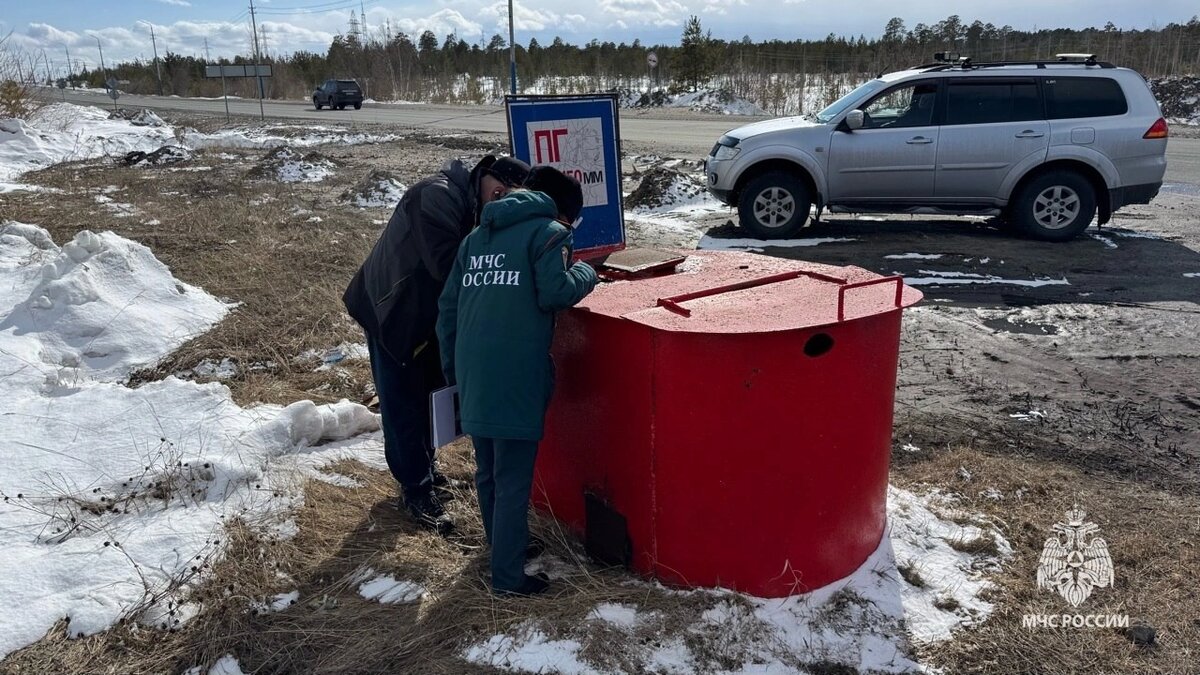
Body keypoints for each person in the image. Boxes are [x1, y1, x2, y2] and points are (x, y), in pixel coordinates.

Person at [343, 155, 531, 533]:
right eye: (499, 191)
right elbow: (448, 267)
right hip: (391, 312)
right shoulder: (436, 196)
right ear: (484, 174)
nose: (500, 200)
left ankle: (425, 471)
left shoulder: (473, 206)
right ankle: (415, 490)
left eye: (509, 197)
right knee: (402, 403)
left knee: (427, 397)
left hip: (423, 316)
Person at [436, 167, 598, 596]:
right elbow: (555, 292)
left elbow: (448, 310)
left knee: (488, 470)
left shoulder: (475, 239)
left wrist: (456, 372)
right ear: (564, 212)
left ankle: (502, 547)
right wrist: (588, 273)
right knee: (512, 479)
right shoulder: (548, 234)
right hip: (515, 372)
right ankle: (507, 578)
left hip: (474, 371)